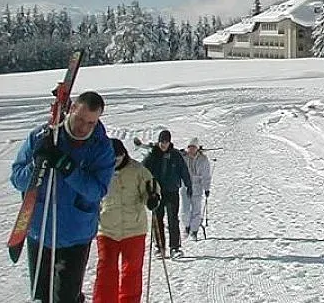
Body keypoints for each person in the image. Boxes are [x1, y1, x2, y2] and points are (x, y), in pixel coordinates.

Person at [10, 91, 115, 303]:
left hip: (75, 234)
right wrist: (37, 165)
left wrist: (68, 169)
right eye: (80, 119)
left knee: (65, 298)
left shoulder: (101, 148)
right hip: (39, 231)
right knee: (41, 297)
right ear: (72, 109)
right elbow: (17, 179)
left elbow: (97, 190)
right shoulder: (43, 137)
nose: (83, 127)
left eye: (91, 123)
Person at [93, 139, 160, 303]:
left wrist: (152, 198)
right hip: (107, 229)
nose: (116, 160)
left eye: (119, 157)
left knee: (132, 271)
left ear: (124, 154)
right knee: (106, 270)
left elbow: (151, 188)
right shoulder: (98, 169)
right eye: (113, 157)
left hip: (134, 228)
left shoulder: (138, 170)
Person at [141, 129, 191, 258]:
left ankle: (175, 247)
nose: (164, 145)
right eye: (162, 142)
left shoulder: (175, 155)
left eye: (166, 142)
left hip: (172, 191)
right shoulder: (152, 155)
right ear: (158, 142)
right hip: (157, 193)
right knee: (157, 220)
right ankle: (160, 247)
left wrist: (188, 185)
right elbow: (141, 172)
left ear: (170, 142)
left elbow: (184, 171)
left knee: (173, 219)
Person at [179, 137, 212, 240]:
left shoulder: (203, 160)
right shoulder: (183, 157)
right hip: (185, 186)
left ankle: (194, 230)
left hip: (197, 187)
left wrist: (206, 188)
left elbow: (206, 175)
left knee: (196, 210)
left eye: (193, 147)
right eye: (189, 147)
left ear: (197, 148)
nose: (191, 150)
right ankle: (187, 226)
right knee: (185, 210)